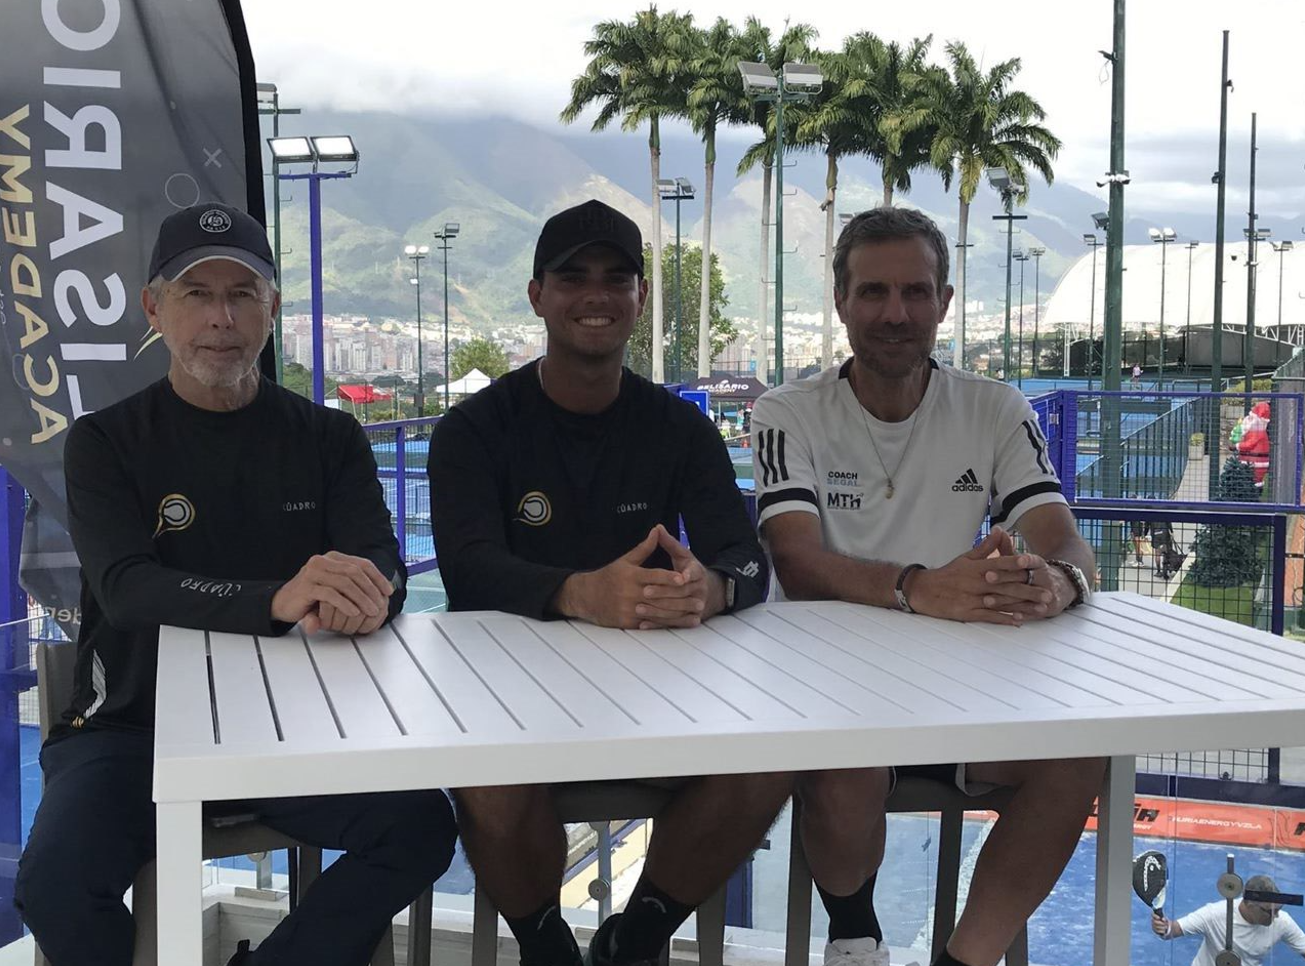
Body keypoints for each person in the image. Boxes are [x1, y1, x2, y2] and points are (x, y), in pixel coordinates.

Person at [14, 203, 456, 966]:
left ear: (271, 309)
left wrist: (365, 591)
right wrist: (277, 598)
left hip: (292, 728)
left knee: (420, 827)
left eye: (242, 293)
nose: (221, 318)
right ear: (155, 307)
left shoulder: (327, 437)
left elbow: (378, 560)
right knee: (53, 884)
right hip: (131, 731)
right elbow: (127, 590)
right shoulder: (105, 441)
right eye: (196, 293)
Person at [427, 200, 788, 966]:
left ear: (639, 299)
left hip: (650, 696)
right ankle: (545, 945)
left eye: (616, 278)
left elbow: (747, 558)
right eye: (573, 277)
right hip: (518, 697)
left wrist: (708, 589)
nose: (596, 294)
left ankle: (639, 935)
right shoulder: (474, 429)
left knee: (770, 755)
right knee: (483, 773)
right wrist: (579, 592)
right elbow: (466, 566)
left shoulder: (678, 428)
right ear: (536, 295)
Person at [751, 206, 1104, 966]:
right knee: (844, 760)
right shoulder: (787, 412)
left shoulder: (993, 407)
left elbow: (1062, 535)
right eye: (872, 293)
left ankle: (965, 957)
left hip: (958, 697)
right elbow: (797, 562)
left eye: (915, 292)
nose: (894, 313)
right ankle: (855, 934)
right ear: (841, 302)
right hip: (836, 693)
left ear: (944, 302)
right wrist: (919, 589)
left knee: (1079, 756)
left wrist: (1061, 582)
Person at [1151, 875, 1305, 966]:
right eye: (1270, 912)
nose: (1276, 916)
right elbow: (1173, 930)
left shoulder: (1282, 921)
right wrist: (1162, 927)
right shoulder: (1214, 914)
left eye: (1279, 909)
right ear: (1250, 905)